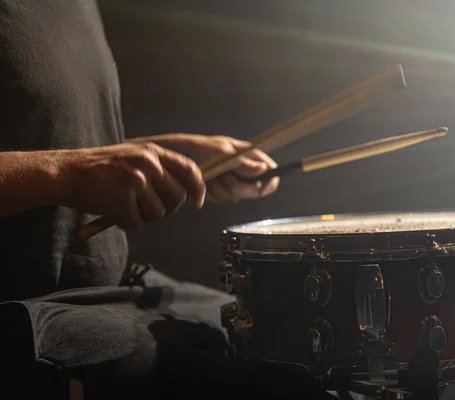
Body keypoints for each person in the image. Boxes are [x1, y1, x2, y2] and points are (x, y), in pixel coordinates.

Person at [0, 1, 338, 399]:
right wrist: (69, 172)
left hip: (107, 290)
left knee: (291, 343)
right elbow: (70, 163)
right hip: (23, 310)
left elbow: (52, 139)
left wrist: (169, 155)